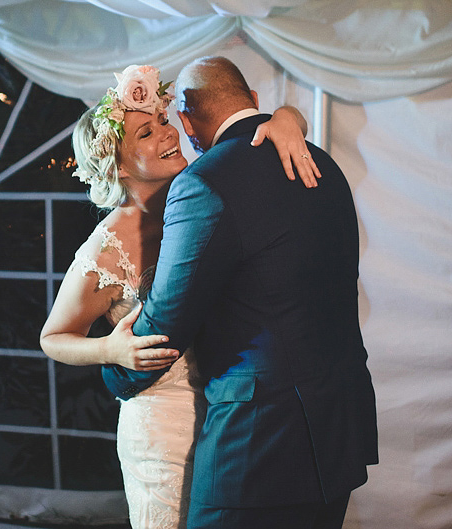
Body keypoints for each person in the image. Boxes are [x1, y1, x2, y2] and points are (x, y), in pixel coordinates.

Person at [103, 56, 378, 529]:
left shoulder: (204, 182)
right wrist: (289, 118)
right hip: (338, 429)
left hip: (258, 444)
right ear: (254, 102)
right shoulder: (324, 165)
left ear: (186, 122)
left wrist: (116, 371)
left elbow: (167, 321)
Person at [39, 64, 317, 529]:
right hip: (159, 431)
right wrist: (112, 348)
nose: (169, 135)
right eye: (146, 133)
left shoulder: (200, 200)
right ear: (120, 166)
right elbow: (54, 337)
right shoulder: (106, 247)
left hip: (223, 420)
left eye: (164, 122)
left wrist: (288, 116)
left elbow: (254, 141)